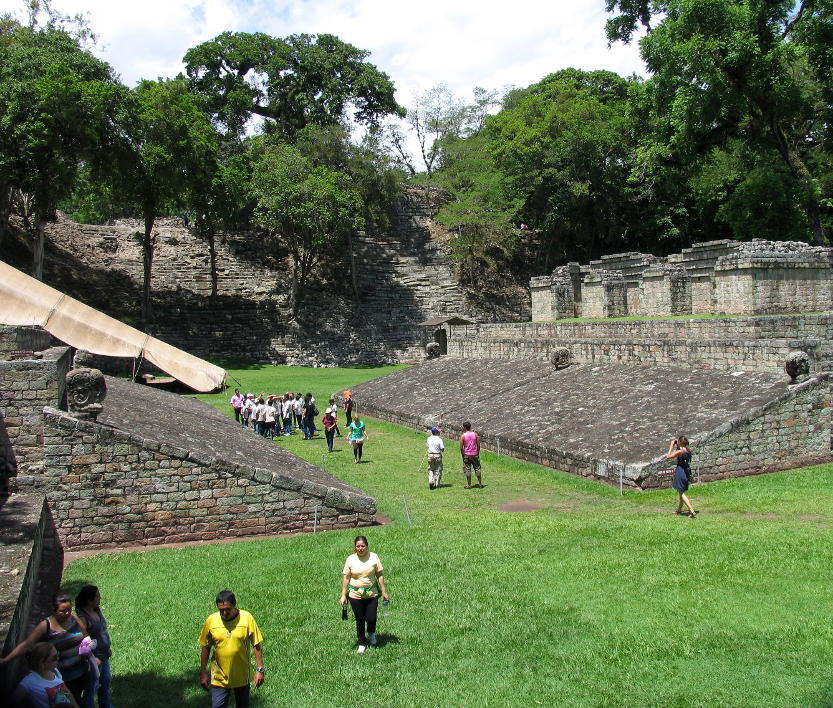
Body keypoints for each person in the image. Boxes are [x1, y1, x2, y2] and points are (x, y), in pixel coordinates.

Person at [0, 592, 91, 707]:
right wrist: (6, 660)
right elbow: (27, 644)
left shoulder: (74, 619)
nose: (67, 613)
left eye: (69, 609)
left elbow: (86, 637)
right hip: (63, 677)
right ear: (54, 610)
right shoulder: (45, 626)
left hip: (81, 672)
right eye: (62, 611)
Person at [199, 590, 264, 708]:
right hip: (219, 676)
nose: (224, 612)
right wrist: (203, 672)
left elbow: (256, 644)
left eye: (227, 609)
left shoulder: (246, 618)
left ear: (234, 605)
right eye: (221, 610)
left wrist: (260, 670)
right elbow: (206, 646)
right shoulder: (211, 621)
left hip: (242, 675)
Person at [340, 536, 389, 654]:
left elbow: (379, 574)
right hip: (355, 595)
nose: (360, 549)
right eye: (358, 546)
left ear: (367, 546)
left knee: (371, 618)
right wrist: (343, 595)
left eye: (362, 546)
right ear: (355, 547)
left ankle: (371, 634)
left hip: (372, 594)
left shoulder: (374, 557)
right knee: (360, 619)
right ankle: (362, 642)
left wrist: (384, 591)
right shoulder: (351, 559)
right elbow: (346, 578)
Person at [75, 585, 113, 708]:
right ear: (89, 601)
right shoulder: (83, 618)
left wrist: (107, 648)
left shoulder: (96, 610)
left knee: (105, 682)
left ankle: (105, 705)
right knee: (91, 688)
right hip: (94, 660)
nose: (99, 598)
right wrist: (92, 659)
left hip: (104, 655)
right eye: (97, 596)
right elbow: (83, 643)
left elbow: (102, 631)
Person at [16, 642, 80, 708]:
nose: (58, 658)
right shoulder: (28, 681)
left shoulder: (54, 671)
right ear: (42, 662)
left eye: (57, 654)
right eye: (54, 657)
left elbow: (68, 695)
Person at [668, 436, 697, 518]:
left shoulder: (680, 452)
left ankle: (691, 510)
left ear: (680, 442)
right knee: (680, 490)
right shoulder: (688, 451)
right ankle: (679, 510)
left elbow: (668, 456)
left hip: (680, 472)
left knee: (681, 492)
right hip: (686, 472)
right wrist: (677, 444)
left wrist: (671, 446)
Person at [460, 421, 482, 488]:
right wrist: (477, 452)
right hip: (474, 453)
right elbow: (478, 445)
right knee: (477, 468)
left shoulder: (463, 436)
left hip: (467, 454)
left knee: (467, 469)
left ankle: (469, 484)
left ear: (465, 428)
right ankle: (480, 483)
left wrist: (463, 454)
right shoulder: (475, 434)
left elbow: (461, 447)